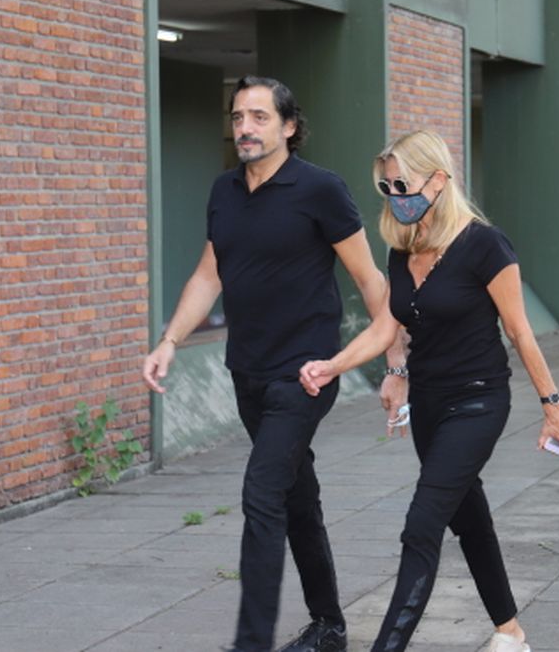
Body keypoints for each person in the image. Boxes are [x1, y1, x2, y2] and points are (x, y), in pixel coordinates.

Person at [141, 76, 405, 652]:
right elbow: (208, 274)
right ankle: (330, 625)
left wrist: (396, 360)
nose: (245, 128)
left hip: (307, 374)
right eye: (238, 117)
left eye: (259, 117)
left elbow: (368, 277)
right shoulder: (224, 192)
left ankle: (251, 641)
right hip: (248, 373)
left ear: (288, 126)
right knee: (295, 495)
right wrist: (169, 341)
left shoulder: (320, 190)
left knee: (262, 492)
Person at [299, 130, 559, 652]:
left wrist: (552, 405)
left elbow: (520, 332)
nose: (395, 196)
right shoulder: (402, 250)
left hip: (479, 400)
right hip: (428, 403)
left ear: (439, 180)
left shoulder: (484, 245)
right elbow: (388, 329)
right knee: (467, 517)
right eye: (386, 187)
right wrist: (334, 366)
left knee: (422, 524)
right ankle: (510, 632)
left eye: (402, 183)